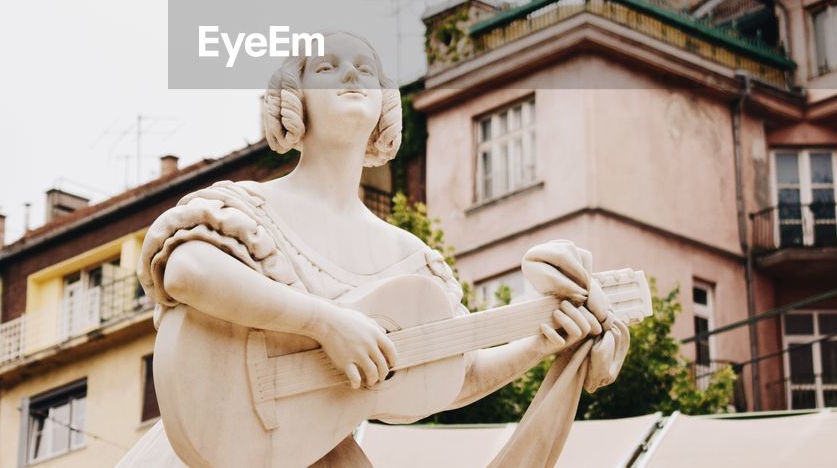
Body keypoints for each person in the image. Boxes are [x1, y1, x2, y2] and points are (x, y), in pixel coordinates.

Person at [118, 31, 628, 467]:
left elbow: (457, 377)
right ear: (293, 100)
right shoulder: (246, 207)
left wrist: (539, 343)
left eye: (365, 68)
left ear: (385, 104)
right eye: (326, 66)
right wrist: (325, 324)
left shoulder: (409, 257)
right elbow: (188, 272)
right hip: (216, 447)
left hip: (318, 451)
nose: (349, 76)